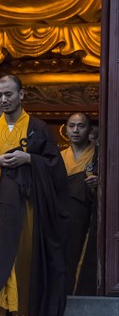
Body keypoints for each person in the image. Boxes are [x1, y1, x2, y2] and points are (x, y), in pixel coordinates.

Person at [0, 75, 69, 316]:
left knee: (26, 260)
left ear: (21, 95)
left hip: (29, 209)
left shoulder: (38, 128)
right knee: (1, 259)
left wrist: (29, 158)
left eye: (8, 95)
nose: (3, 100)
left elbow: (55, 169)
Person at [61, 113, 98, 295]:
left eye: (81, 126)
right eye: (72, 126)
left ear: (89, 130)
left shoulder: (98, 156)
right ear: (65, 129)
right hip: (61, 218)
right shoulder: (59, 157)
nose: (75, 130)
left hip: (87, 217)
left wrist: (98, 185)